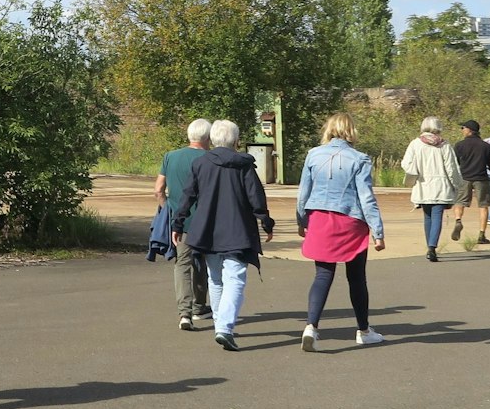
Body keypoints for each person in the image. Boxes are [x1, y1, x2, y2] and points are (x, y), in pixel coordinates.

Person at [171, 119, 273, 352]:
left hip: (206, 230)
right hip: (237, 231)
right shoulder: (244, 166)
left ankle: (221, 325)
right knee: (235, 279)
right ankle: (224, 329)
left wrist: (178, 223)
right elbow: (256, 198)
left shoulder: (200, 164)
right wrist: (266, 222)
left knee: (215, 279)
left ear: (213, 140)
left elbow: (188, 196)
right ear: (236, 141)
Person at [295, 114, 388, 350]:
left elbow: (303, 193)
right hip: (350, 221)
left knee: (323, 275)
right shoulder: (360, 159)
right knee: (356, 277)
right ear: (351, 131)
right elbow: (366, 198)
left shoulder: (313, 154)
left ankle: (311, 327)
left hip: (319, 218)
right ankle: (364, 330)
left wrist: (302, 220)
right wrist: (378, 231)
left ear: (329, 129)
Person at [154, 118, 213, 332]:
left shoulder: (171, 157)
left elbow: (159, 188)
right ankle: (200, 306)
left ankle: (184, 313)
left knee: (182, 264)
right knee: (203, 262)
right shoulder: (211, 158)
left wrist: (166, 211)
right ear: (207, 138)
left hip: (180, 222)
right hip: (206, 221)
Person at [401, 117, 465, 263]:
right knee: (437, 216)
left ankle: (430, 246)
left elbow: (406, 163)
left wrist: (414, 172)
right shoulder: (444, 145)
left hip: (423, 186)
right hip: (441, 186)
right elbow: (452, 168)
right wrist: (458, 184)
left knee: (427, 216)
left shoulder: (415, 144)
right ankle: (432, 247)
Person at [451, 120, 490, 248]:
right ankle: (481, 235)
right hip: (481, 178)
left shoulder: (459, 145)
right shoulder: (486, 146)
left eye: (463, 128)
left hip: (464, 178)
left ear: (469, 130)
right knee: (483, 206)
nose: (462, 130)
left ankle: (458, 220)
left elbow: (455, 164)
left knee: (460, 202)